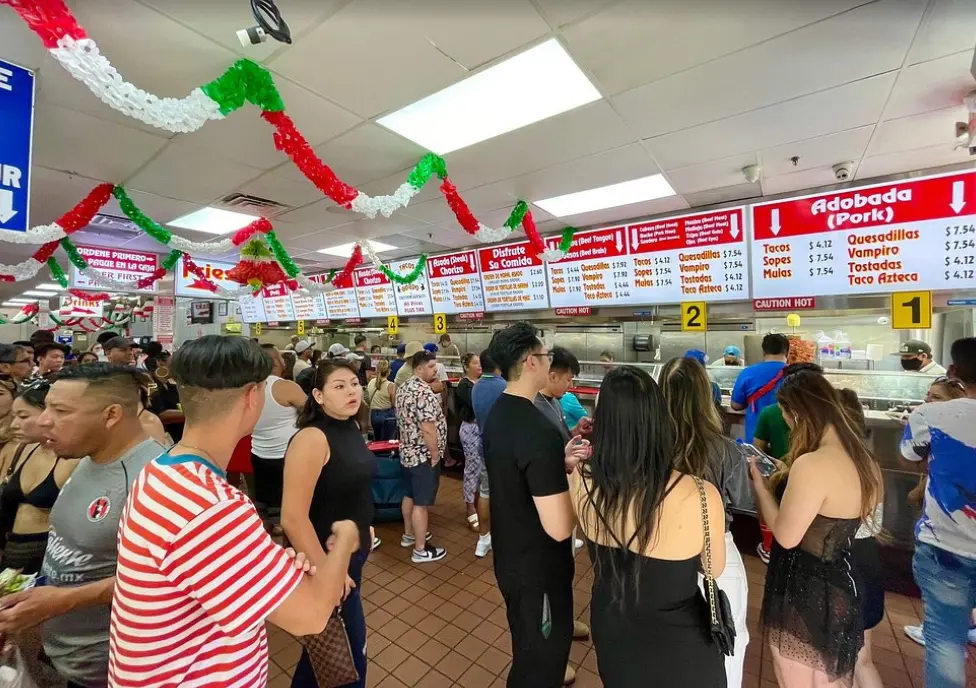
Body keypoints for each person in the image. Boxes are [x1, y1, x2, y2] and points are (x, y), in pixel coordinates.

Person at [108, 336, 360, 687]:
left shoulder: (160, 470)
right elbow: (313, 617)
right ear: (252, 397)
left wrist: (268, 566)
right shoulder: (212, 507)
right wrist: (345, 542)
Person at [0, 364, 166, 688]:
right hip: (63, 650)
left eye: (60, 411)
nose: (44, 419)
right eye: (46, 406)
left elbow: (167, 580)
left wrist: (66, 600)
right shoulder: (89, 459)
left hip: (109, 665)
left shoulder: (153, 479)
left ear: (111, 415)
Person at [570, 365, 726, 687]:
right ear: (659, 419)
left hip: (613, 631)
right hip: (682, 646)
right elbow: (714, 568)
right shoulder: (700, 493)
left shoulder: (581, 481)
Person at [751, 370, 883, 686]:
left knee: (794, 678)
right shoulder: (866, 461)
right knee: (834, 679)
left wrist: (761, 487)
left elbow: (786, 535)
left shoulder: (811, 464)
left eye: (787, 417)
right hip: (844, 582)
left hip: (804, 587)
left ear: (797, 412)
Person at [482, 322, 589, 687]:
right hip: (539, 569)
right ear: (530, 362)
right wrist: (577, 481)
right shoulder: (538, 428)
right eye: (545, 356)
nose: (549, 362)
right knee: (540, 663)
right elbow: (560, 526)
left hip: (511, 554)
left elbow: (516, 473)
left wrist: (557, 465)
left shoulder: (500, 412)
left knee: (528, 644)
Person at [282, 359, 377, 688]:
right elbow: (292, 516)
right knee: (348, 661)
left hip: (352, 559)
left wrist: (367, 526)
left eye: (354, 383)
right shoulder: (311, 438)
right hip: (325, 562)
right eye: (340, 386)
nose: (352, 391)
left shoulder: (350, 426)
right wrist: (326, 574)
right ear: (319, 396)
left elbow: (350, 483)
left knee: (325, 656)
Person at [659, 356, 748, 688]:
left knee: (672, 648)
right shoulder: (726, 450)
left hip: (661, 549)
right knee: (727, 645)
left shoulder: (650, 446)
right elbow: (740, 500)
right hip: (717, 553)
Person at [901, 337, 976, 687]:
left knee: (945, 642)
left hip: (945, 546)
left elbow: (911, 453)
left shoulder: (931, 414)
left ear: (954, 371)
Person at [0, 379, 78, 573]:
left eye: (23, 416)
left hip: (48, 555)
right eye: (13, 416)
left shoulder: (75, 459)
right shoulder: (21, 449)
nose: (15, 425)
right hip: (11, 549)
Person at [751, 362, 824, 563]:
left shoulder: (769, 413)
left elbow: (758, 447)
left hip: (779, 479)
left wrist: (763, 483)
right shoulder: (832, 429)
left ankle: (768, 547)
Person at [837, 388, 885, 688]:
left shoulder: (833, 463)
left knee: (840, 663)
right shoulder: (870, 460)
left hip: (844, 566)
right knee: (862, 660)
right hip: (868, 559)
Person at [394, 350, 447, 563]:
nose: (435, 370)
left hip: (406, 452)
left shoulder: (404, 388)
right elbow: (428, 428)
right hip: (422, 455)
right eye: (432, 367)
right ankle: (420, 549)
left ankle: (408, 535)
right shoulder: (423, 393)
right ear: (419, 369)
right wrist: (434, 455)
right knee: (421, 504)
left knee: (409, 495)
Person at [252, 343, 305, 530]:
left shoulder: (250, 388)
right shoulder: (285, 387)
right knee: (291, 508)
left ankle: (266, 543)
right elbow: (312, 413)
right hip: (286, 456)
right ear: (275, 361)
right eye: (281, 357)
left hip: (258, 454)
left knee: (265, 503)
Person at [470, 349, 504, 558]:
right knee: (508, 494)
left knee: (485, 492)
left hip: (484, 446)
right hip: (505, 449)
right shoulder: (505, 387)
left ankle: (483, 539)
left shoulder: (476, 386)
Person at [730, 332, 789, 442]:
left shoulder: (747, 373)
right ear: (787, 352)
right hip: (788, 440)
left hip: (756, 438)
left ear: (764, 352)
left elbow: (735, 405)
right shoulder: (796, 373)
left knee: (757, 459)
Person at [456, 352, 483, 530]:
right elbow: (476, 404)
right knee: (472, 468)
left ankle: (480, 502)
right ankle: (470, 507)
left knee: (483, 469)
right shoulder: (464, 385)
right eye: (476, 363)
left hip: (484, 429)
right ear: (467, 367)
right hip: (471, 429)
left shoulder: (483, 383)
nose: (479, 366)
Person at [365, 359, 396, 442]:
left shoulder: (371, 382)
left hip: (374, 415)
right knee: (387, 442)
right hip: (387, 415)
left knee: (377, 440)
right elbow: (394, 403)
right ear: (389, 371)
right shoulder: (391, 385)